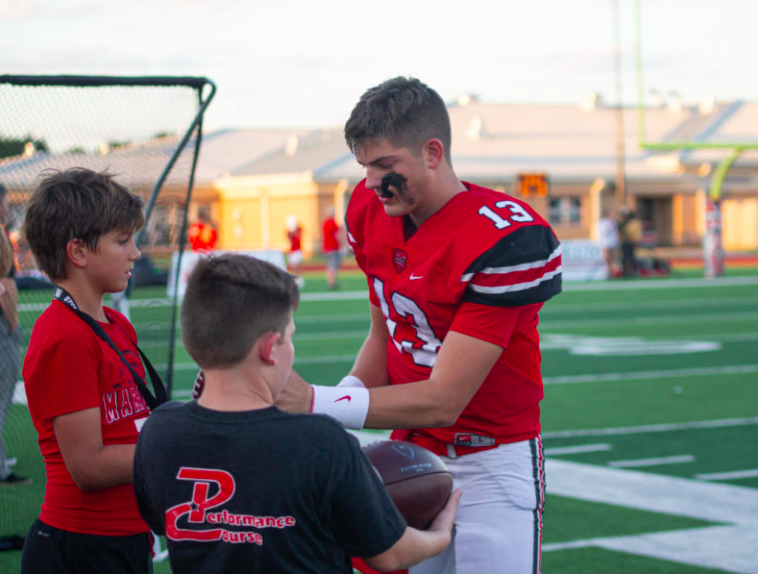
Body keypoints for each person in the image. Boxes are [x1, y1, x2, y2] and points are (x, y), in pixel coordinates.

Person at [279, 77, 562, 574]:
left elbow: (444, 398)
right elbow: (384, 336)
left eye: (386, 166)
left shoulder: (506, 237)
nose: (371, 182)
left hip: (490, 460)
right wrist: (326, 414)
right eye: (365, 166)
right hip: (409, 456)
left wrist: (316, 402)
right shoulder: (369, 210)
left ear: (433, 153)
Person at [133, 253, 460, 574]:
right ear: (269, 348)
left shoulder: (159, 431)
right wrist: (439, 535)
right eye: (289, 338)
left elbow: (160, 519)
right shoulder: (320, 442)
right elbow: (388, 555)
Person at [19, 168, 152, 574]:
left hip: (124, 537)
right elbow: (88, 466)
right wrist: (175, 445)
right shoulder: (64, 336)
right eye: (122, 241)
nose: (136, 254)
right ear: (78, 252)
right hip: (82, 545)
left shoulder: (115, 323)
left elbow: (129, 426)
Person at [0, 182, 26, 485]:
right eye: (5, 202)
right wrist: (13, 325)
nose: (8, 207)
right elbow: (4, 287)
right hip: (3, 330)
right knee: (2, 399)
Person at [322, 206, 342, 289]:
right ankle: (332, 282)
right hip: (333, 247)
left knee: (329, 265)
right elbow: (337, 235)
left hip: (327, 248)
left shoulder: (324, 223)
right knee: (333, 265)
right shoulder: (333, 223)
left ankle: (329, 281)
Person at [618, 207, 642, 277]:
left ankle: (632, 271)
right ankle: (629, 271)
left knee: (629, 257)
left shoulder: (633, 223)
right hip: (629, 242)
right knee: (628, 257)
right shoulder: (634, 223)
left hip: (630, 242)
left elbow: (627, 232)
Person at [598, 207, 620, 277]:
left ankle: (611, 272)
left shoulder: (613, 223)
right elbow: (602, 232)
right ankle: (610, 270)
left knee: (612, 258)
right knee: (606, 258)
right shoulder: (602, 222)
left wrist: (617, 242)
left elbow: (615, 233)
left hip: (612, 243)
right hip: (605, 243)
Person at [285, 214, 305, 287]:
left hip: (298, 250)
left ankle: (299, 279)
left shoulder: (299, 229)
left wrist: (295, 227)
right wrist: (291, 230)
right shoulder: (288, 231)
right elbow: (289, 238)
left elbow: (300, 234)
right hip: (292, 251)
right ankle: (295, 279)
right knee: (293, 267)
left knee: (298, 266)